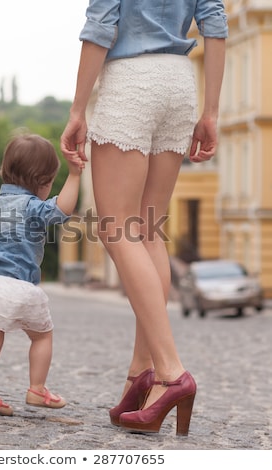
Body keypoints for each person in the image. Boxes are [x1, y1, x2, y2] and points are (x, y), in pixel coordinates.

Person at [60, 0, 227, 435]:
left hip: (132, 80)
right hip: (179, 83)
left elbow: (99, 27)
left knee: (115, 227)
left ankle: (171, 373)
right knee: (149, 231)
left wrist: (77, 111)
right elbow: (215, 21)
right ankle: (142, 374)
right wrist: (211, 112)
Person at [0, 131, 83, 416]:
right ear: (42, 182)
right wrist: (75, 175)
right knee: (42, 336)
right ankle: (37, 389)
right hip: (19, 287)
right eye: (50, 182)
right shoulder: (31, 207)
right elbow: (61, 210)